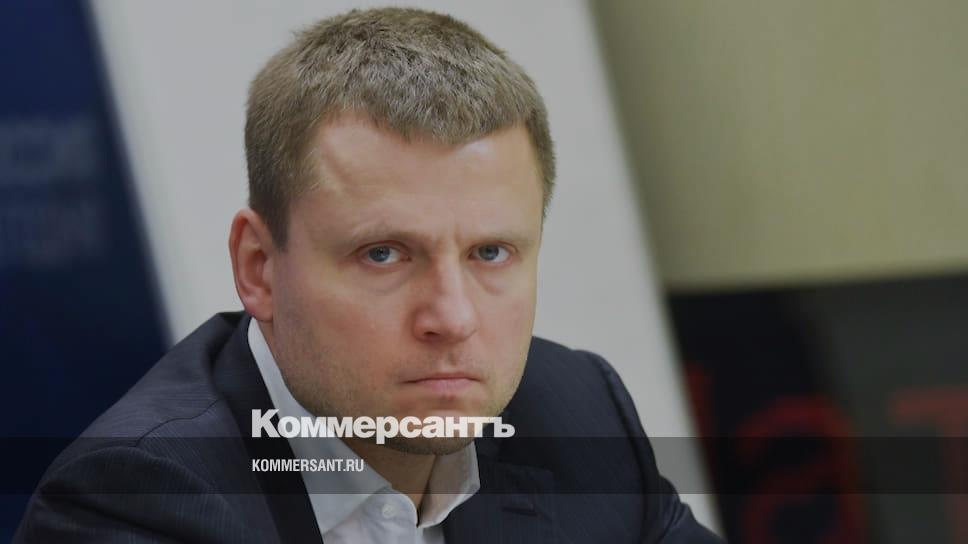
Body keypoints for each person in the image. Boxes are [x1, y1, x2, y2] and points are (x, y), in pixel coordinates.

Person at [16, 7, 722, 543]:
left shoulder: (575, 412)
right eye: (384, 254)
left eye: (490, 253)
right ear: (259, 268)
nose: (452, 318)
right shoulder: (137, 500)